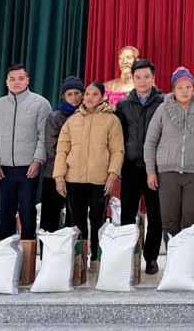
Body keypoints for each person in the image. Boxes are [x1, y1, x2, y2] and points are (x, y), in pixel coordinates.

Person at [53, 81, 124, 261]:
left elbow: (117, 150)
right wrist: (59, 177)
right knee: (77, 221)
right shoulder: (72, 121)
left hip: (99, 180)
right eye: (87, 94)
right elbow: (62, 150)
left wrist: (112, 175)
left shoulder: (111, 120)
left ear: (102, 97)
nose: (90, 98)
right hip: (74, 179)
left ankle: (96, 259)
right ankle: (81, 260)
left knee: (97, 219)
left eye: (95, 94)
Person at [144, 67, 194, 238]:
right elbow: (150, 142)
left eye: (188, 87)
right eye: (180, 87)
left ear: (193, 88)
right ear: (173, 89)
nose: (184, 91)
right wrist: (151, 172)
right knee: (169, 220)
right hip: (167, 173)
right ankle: (173, 254)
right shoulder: (162, 109)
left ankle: (192, 254)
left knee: (193, 219)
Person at [0, 64, 50, 240]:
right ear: (6, 82)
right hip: (3, 168)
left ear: (27, 80)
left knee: (27, 210)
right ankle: (6, 250)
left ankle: (27, 250)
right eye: (12, 79)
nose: (16, 82)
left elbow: (44, 136)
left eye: (21, 78)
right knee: (6, 211)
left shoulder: (40, 104)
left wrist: (37, 160)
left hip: (28, 168)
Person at [116, 58, 165, 275]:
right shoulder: (123, 105)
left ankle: (151, 257)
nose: (142, 81)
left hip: (155, 167)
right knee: (127, 214)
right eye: (138, 77)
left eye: (147, 76)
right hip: (130, 166)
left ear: (153, 78)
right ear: (133, 79)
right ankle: (128, 255)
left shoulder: (164, 102)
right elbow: (118, 137)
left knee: (156, 214)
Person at [40, 76, 83, 234]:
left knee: (74, 219)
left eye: (77, 93)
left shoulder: (88, 116)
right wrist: (65, 167)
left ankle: (72, 248)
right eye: (69, 94)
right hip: (54, 173)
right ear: (63, 96)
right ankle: (48, 247)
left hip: (78, 174)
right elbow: (51, 148)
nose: (74, 97)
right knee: (50, 218)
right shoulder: (55, 117)